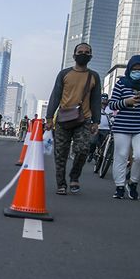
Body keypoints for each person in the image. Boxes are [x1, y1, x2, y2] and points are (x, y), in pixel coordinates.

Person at [46, 42, 102, 195]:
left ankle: (74, 176)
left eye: (87, 52)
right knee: (61, 153)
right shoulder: (64, 74)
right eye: (80, 51)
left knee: (83, 150)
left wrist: (96, 121)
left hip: (83, 120)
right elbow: (55, 96)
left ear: (90, 56)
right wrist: (49, 118)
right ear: (74, 55)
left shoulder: (94, 76)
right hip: (63, 119)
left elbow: (96, 100)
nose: (83, 54)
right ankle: (61, 184)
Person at [107, 55, 140, 200]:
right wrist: (126, 101)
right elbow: (112, 104)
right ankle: (119, 186)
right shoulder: (121, 83)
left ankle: (133, 182)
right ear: (129, 69)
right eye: (134, 69)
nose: (137, 71)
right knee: (121, 156)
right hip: (122, 125)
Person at [88, 93, 113, 162]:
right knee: (93, 141)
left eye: (105, 99)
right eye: (102, 99)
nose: (104, 100)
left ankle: (99, 156)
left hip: (106, 129)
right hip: (97, 127)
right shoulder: (96, 107)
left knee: (102, 145)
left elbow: (113, 116)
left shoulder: (110, 108)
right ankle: (91, 153)